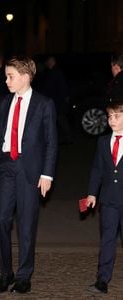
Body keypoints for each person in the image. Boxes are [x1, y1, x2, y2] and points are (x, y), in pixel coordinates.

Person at [0, 56, 58, 294]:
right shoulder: (6, 102)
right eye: (6, 76)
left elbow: (51, 142)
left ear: (25, 77)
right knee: (0, 220)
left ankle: (23, 275)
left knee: (27, 225)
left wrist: (47, 175)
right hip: (7, 166)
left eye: (10, 76)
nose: (6, 80)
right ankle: (6, 272)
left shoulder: (44, 104)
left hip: (30, 169)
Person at [86, 99, 123, 294]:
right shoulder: (103, 141)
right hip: (108, 200)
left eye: (117, 116)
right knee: (107, 240)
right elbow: (97, 170)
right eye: (109, 116)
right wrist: (92, 193)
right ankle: (102, 279)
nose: (112, 120)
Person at [39, 55, 72, 144]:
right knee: (59, 120)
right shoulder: (54, 72)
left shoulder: (55, 72)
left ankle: (67, 138)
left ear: (52, 61)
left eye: (48, 61)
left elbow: (52, 87)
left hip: (57, 100)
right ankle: (64, 138)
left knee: (60, 119)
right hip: (57, 100)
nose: (47, 63)